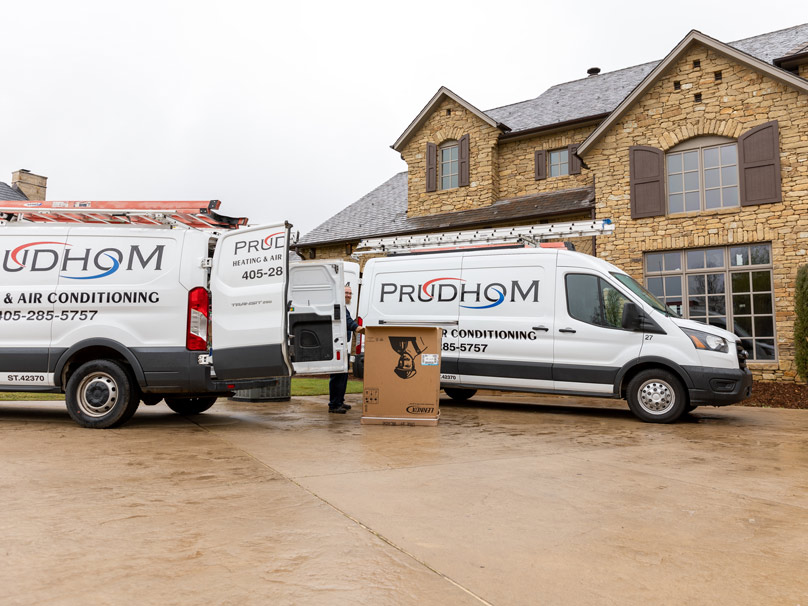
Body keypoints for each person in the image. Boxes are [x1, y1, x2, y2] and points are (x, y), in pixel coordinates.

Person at [329, 285, 364, 413]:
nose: (348, 295)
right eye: (346, 293)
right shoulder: (338, 306)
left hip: (343, 346)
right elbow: (348, 322)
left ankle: (339, 401)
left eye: (350, 293)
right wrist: (359, 328)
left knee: (343, 376)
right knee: (337, 376)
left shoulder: (343, 307)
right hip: (337, 346)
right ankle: (333, 405)